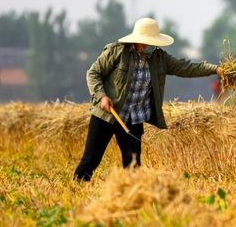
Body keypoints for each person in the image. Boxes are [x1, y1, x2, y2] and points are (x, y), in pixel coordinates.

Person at [74, 18, 222, 181]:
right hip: (107, 115)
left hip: (133, 119)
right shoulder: (116, 52)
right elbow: (93, 73)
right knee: (91, 160)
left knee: (133, 166)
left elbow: (186, 67)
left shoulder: (159, 58)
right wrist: (101, 96)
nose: (149, 45)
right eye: (146, 41)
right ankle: (77, 187)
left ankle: (133, 196)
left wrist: (215, 69)